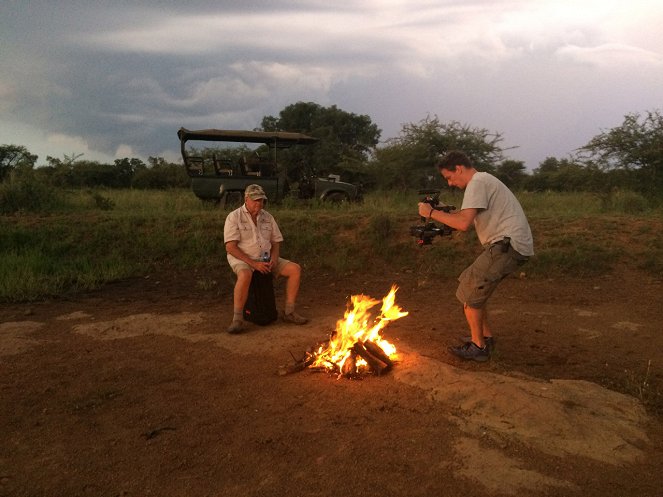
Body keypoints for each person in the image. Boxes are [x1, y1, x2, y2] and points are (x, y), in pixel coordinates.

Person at [418, 151, 534, 361]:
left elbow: (462, 224)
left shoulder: (477, 183)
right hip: (508, 245)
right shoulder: (483, 181)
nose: (450, 183)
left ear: (459, 168)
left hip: (506, 246)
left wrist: (431, 213)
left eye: (449, 177)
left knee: (470, 292)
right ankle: (484, 338)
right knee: (471, 286)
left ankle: (478, 347)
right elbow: (465, 218)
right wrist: (443, 212)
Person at [223, 184, 308, 334]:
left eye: (262, 200)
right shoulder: (234, 217)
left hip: (265, 257)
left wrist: (274, 259)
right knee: (245, 274)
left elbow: (276, 242)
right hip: (242, 258)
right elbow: (231, 247)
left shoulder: (268, 217)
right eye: (256, 200)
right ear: (246, 199)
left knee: (295, 269)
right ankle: (237, 319)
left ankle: (289, 312)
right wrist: (254, 264)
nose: (259, 204)